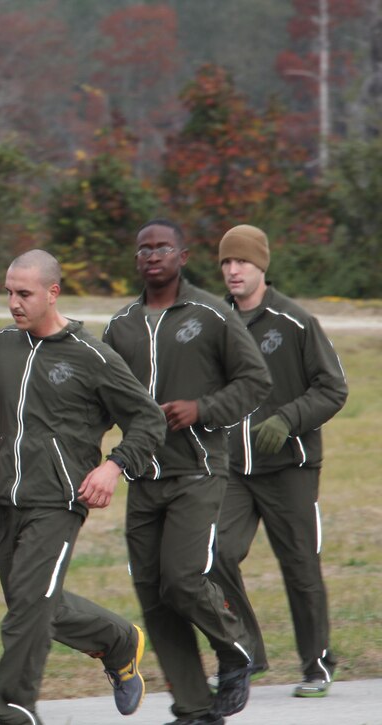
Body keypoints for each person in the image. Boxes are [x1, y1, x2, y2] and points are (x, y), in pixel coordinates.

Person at [0, 250, 164, 725]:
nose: (13, 302)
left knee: (24, 616)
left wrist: (114, 466)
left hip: (59, 503)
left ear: (52, 293)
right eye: (8, 292)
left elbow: (148, 419)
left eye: (24, 294)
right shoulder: (2, 346)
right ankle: (119, 642)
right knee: (38, 606)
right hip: (7, 499)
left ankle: (16, 710)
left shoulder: (92, 356)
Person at [102, 219, 272, 725]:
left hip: (198, 470)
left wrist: (204, 409)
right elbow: (105, 401)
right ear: (137, 259)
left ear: (183, 254)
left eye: (162, 247)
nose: (152, 255)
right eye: (143, 248)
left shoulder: (212, 314)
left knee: (182, 579)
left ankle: (237, 646)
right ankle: (195, 707)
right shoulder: (121, 325)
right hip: (143, 476)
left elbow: (255, 380)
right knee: (154, 597)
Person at [210, 225, 347, 698]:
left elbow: (333, 388)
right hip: (231, 471)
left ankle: (317, 666)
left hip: (291, 468)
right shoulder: (211, 320)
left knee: (300, 567)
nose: (232, 270)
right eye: (226, 262)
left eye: (241, 262)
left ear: (262, 266)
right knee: (214, 555)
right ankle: (246, 653)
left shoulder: (296, 322)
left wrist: (288, 419)